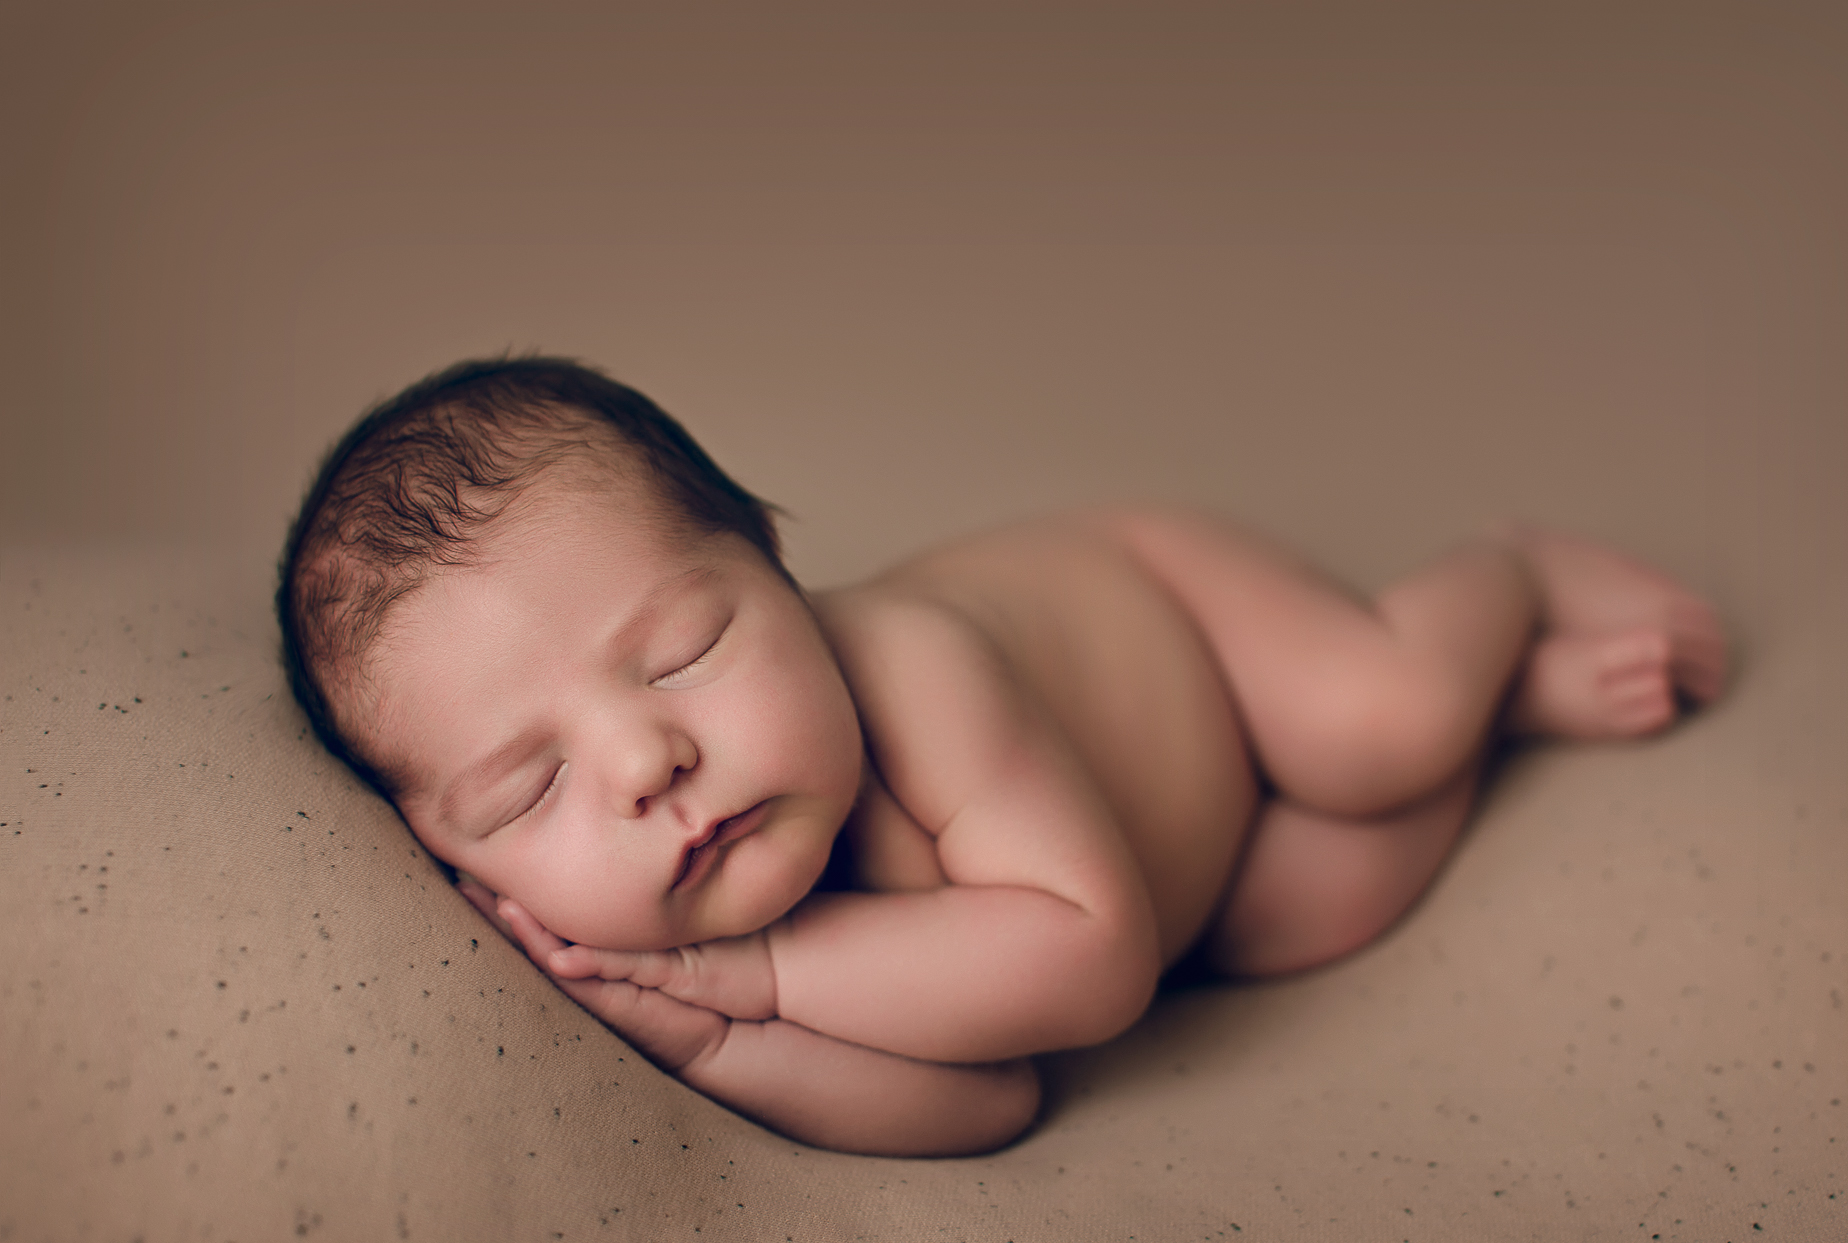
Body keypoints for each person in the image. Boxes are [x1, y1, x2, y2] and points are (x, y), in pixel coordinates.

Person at [279, 356, 1729, 1157]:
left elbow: (1092, 964)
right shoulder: (675, 968)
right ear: (454, 861)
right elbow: (992, 1096)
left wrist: (762, 980)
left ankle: (1497, 575)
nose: (647, 757)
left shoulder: (917, 666)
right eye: (528, 789)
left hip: (1184, 626)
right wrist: (718, 1042)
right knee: (1325, 901)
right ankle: (1516, 713)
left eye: (680, 654)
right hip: (1198, 886)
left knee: (1374, 730)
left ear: (780, 566)